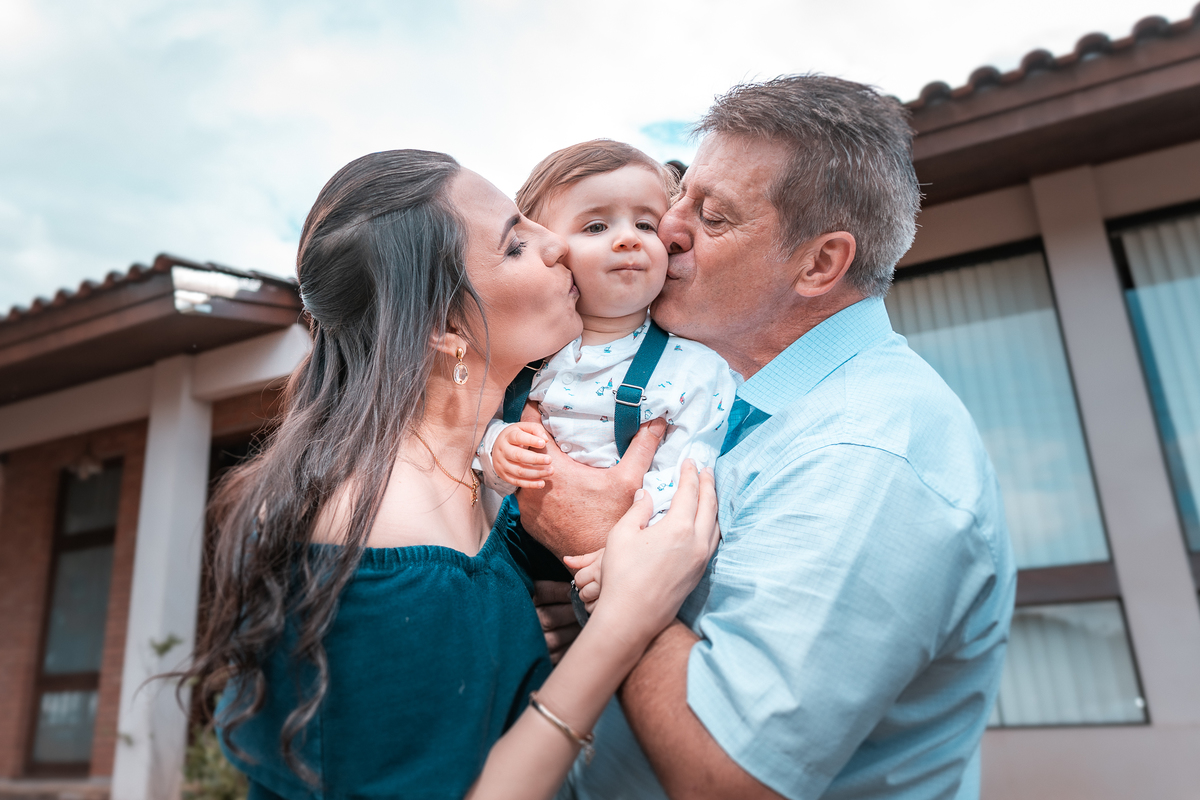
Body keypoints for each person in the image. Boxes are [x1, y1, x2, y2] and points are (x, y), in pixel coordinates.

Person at [519, 76, 1018, 800]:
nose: (668, 229)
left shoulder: (862, 454)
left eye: (712, 217)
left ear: (819, 265)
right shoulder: (737, 402)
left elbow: (731, 780)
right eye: (680, 195)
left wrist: (603, 551)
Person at [181, 149, 720, 800]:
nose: (556, 245)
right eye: (516, 245)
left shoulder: (486, 481)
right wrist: (621, 625)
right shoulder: (386, 536)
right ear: (444, 328)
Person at [476, 140, 735, 526]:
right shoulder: (515, 352)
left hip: (623, 550)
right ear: (549, 249)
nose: (628, 238)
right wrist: (495, 445)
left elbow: (686, 482)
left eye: (646, 224)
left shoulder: (695, 371)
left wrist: (623, 550)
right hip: (513, 553)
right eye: (596, 226)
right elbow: (467, 428)